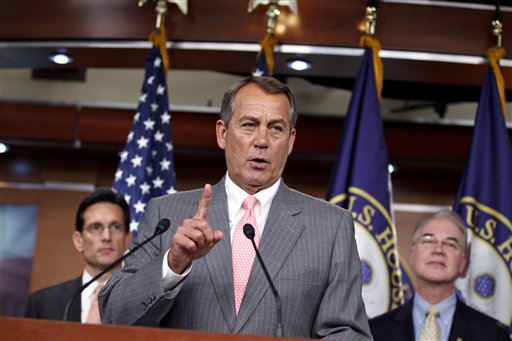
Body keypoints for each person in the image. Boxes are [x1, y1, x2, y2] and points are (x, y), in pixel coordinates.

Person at [100, 76, 372, 340]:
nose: (262, 140)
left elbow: (348, 334)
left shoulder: (331, 226)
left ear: (290, 141)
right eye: (249, 125)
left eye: (276, 128)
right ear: (222, 133)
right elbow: (115, 316)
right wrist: (172, 264)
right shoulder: (166, 214)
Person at [369, 209, 510, 341]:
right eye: (429, 240)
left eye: (450, 244)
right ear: (412, 254)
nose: (438, 249)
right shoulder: (373, 332)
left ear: (463, 262)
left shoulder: (493, 335)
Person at [25, 187, 132, 323]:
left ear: (127, 239)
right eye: (95, 227)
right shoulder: (42, 303)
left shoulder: (147, 301)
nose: (106, 237)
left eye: (115, 227)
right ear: (78, 241)